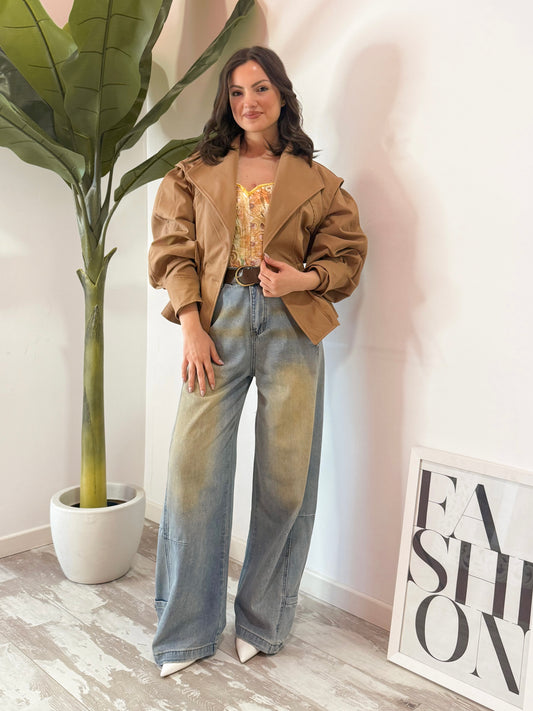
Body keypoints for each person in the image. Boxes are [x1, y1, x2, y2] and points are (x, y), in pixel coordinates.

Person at [148, 46, 367, 677]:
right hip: (216, 322)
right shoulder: (192, 174)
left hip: (291, 328)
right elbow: (172, 249)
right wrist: (192, 324)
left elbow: (347, 258)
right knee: (192, 474)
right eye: (238, 91)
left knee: (286, 479)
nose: (249, 101)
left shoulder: (321, 183)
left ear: (282, 95)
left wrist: (302, 279)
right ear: (227, 100)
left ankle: (263, 620)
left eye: (262, 88)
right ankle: (186, 631)